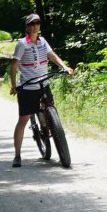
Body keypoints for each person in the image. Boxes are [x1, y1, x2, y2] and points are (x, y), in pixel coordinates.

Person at [10, 13, 74, 167]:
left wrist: (64, 67)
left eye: (37, 23)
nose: (35, 26)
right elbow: (13, 66)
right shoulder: (22, 44)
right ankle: (17, 155)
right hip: (27, 87)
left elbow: (52, 55)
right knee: (23, 120)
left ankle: (52, 130)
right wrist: (13, 85)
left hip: (43, 83)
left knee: (51, 109)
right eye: (32, 23)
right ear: (27, 27)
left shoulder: (43, 41)